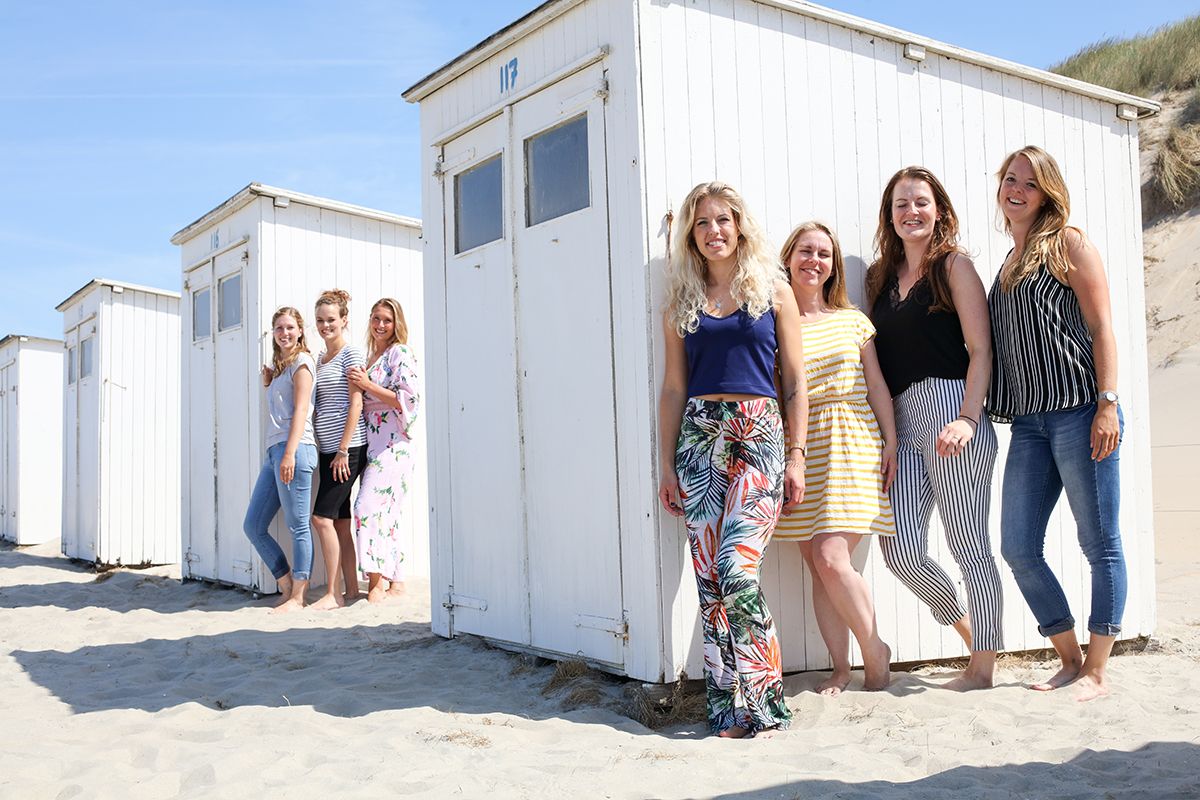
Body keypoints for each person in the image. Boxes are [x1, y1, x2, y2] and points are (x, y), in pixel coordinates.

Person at [657, 181, 807, 738]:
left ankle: (767, 704)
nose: (714, 230)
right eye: (702, 223)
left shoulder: (774, 290)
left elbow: (794, 381)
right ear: (690, 236)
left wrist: (796, 453)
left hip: (758, 433)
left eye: (723, 219)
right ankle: (729, 709)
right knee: (709, 581)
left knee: (735, 570)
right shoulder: (681, 299)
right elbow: (674, 388)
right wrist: (666, 464)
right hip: (698, 439)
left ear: (739, 224)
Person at [989, 145, 1126, 702]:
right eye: (1009, 180)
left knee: (1100, 543)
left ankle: (1097, 669)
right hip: (1028, 423)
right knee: (1019, 545)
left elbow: (1102, 327)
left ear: (1047, 192)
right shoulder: (1006, 263)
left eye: (1029, 183)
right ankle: (1068, 658)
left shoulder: (1069, 243)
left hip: (1080, 412)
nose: (1016, 190)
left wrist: (1108, 402)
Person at [867, 166, 1003, 690]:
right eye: (901, 204)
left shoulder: (954, 266)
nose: (911, 212)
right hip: (902, 419)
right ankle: (972, 631)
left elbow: (981, 351)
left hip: (953, 409)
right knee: (899, 548)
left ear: (939, 209)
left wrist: (969, 417)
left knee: (969, 543)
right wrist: (889, 433)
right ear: (891, 216)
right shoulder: (881, 279)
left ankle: (983, 669)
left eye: (921, 202)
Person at [774, 221, 896, 696]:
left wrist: (891, 440)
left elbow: (878, 385)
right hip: (800, 443)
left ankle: (874, 650)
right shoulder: (776, 322)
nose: (814, 260)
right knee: (816, 565)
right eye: (806, 250)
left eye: (824, 254)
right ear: (788, 257)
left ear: (833, 266)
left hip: (851, 439)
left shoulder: (852, 320)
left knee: (831, 556)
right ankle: (841, 669)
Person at [242, 306, 318, 614]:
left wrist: (289, 452)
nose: (284, 333)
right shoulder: (281, 368)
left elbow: (300, 410)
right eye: (278, 329)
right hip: (273, 452)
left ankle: (299, 597)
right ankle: (286, 586)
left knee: (298, 525)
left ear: (300, 330)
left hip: (295, 449)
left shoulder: (302, 363)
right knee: (253, 525)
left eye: (290, 327)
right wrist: (268, 384)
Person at [347, 298, 420, 604]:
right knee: (385, 512)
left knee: (365, 508)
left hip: (393, 444)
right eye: (376, 318)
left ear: (396, 323)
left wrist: (367, 385)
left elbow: (408, 399)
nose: (380, 325)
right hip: (373, 442)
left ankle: (376, 583)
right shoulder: (373, 356)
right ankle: (397, 580)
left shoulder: (398, 353)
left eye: (387, 320)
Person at [309, 289, 368, 609]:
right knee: (340, 522)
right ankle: (352, 591)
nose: (325, 325)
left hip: (348, 448)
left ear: (344, 320)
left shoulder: (351, 354)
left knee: (321, 518)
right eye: (320, 320)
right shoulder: (320, 358)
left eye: (331, 319)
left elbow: (355, 403)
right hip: (328, 448)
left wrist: (343, 450)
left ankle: (332, 594)